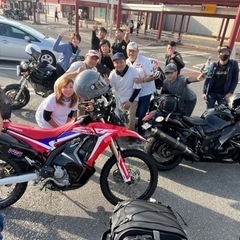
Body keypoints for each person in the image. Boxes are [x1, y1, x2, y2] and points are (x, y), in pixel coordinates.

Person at [105, 52, 141, 133]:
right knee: (120, 118)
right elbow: (111, 89)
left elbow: (138, 89)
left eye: (121, 62)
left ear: (125, 62)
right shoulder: (113, 74)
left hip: (132, 98)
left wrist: (130, 101)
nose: (119, 64)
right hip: (120, 99)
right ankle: (123, 132)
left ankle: (131, 135)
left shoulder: (133, 71)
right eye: (116, 63)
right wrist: (107, 84)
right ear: (113, 64)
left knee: (131, 116)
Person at [126, 42, 155, 136]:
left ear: (138, 51)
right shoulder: (126, 62)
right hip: (134, 91)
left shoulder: (144, 61)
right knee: (133, 112)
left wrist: (142, 80)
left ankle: (141, 131)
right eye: (129, 51)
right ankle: (132, 131)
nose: (131, 53)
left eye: (133, 51)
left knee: (142, 112)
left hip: (146, 90)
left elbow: (152, 76)